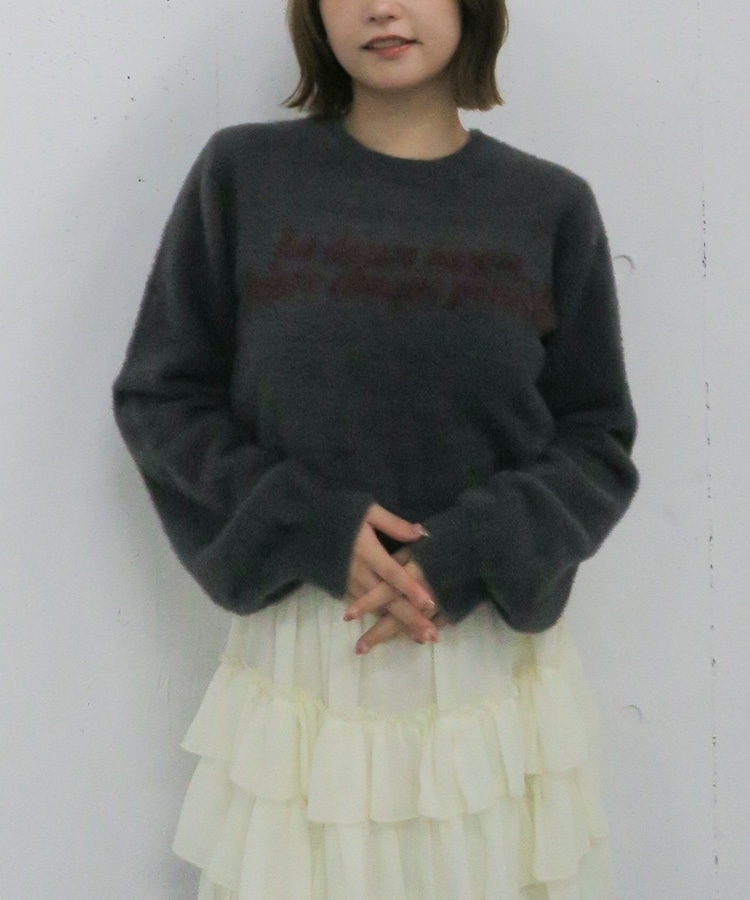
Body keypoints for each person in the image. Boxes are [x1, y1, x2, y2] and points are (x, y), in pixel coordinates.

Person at [112, 0, 640, 896]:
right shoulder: (245, 176)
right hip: (303, 677)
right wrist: (311, 525)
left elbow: (597, 439)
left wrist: (468, 553)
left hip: (485, 677)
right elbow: (162, 398)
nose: (382, 7)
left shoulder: (550, 206)